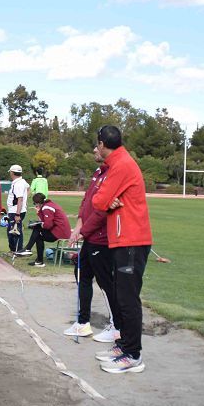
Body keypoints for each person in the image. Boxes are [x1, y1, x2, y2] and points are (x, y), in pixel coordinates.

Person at [91, 125, 152, 374]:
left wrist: (107, 200)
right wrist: (107, 199)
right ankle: (124, 345)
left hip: (131, 240)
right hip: (124, 238)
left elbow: (98, 200)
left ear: (103, 144)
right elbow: (102, 199)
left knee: (127, 298)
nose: (96, 148)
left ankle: (133, 354)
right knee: (121, 294)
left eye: (97, 145)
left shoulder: (121, 164)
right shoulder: (118, 163)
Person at [65, 146, 119, 342]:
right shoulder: (98, 172)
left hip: (102, 239)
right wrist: (79, 225)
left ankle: (117, 326)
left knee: (106, 283)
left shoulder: (113, 173)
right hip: (90, 237)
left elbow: (103, 210)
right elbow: (87, 201)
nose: (94, 149)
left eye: (98, 145)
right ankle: (82, 323)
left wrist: (84, 230)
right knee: (81, 273)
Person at [16, 192, 70, 267]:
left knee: (37, 228)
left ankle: (28, 249)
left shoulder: (46, 208)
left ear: (38, 203)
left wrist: (38, 223)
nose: (35, 205)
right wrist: (39, 213)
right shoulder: (48, 205)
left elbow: (48, 225)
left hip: (60, 232)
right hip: (60, 230)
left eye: (35, 203)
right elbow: (44, 221)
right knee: (38, 236)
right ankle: (39, 261)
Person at [5, 164, 30, 253]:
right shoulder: (22, 181)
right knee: (13, 229)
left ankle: (17, 250)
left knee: (14, 230)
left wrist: (17, 214)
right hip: (17, 210)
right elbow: (28, 188)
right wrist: (26, 200)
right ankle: (15, 249)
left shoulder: (18, 184)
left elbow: (20, 199)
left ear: (12, 173)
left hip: (15, 211)